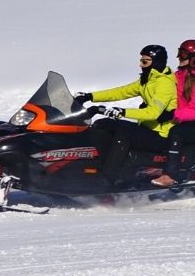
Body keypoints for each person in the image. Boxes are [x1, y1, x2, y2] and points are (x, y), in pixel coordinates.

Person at [75, 45, 176, 188]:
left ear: (156, 62)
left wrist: (123, 112)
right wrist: (90, 96)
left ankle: (109, 179)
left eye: (145, 62)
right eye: (141, 61)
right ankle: (88, 167)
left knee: (124, 134)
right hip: (147, 129)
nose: (140, 65)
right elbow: (122, 91)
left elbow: (153, 113)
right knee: (104, 124)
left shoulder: (165, 84)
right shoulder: (148, 79)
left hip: (160, 135)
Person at [151, 40, 195, 188]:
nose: (179, 57)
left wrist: (172, 114)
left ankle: (170, 175)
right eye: (179, 53)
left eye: (183, 54)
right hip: (186, 121)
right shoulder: (179, 75)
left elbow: (194, 111)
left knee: (176, 133)